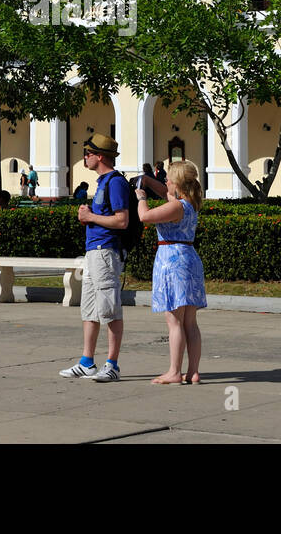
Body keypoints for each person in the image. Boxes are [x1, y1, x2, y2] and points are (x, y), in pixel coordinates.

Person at [60, 134, 131, 383]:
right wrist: (88, 215)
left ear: (99, 156)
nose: (84, 158)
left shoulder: (115, 183)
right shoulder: (103, 182)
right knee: (89, 308)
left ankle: (112, 364)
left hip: (106, 251)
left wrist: (90, 217)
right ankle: (87, 362)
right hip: (94, 251)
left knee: (109, 308)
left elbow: (122, 221)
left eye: (88, 154)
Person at [136, 160, 207, 385]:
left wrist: (141, 197)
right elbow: (166, 194)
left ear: (177, 183)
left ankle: (174, 372)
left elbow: (144, 216)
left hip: (172, 261)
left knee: (174, 320)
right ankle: (193, 372)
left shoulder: (176, 207)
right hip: (189, 258)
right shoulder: (189, 204)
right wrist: (149, 181)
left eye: (168, 179)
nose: (165, 181)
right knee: (190, 322)